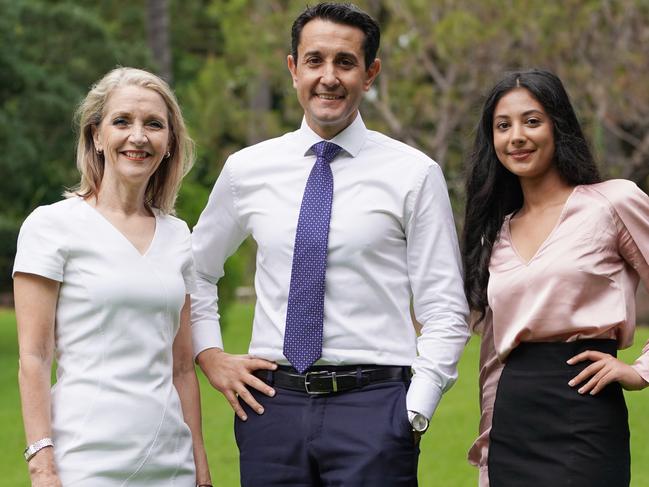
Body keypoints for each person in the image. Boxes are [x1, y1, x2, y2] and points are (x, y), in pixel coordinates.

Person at [191, 2, 469, 486]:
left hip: (375, 409)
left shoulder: (414, 173)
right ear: (293, 69)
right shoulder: (247, 170)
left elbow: (444, 308)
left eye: (345, 62)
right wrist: (210, 355)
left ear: (370, 73)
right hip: (271, 408)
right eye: (315, 61)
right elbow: (194, 270)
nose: (329, 77)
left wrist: (414, 411)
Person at [13, 67, 212, 487]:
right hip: (85, 463)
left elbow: (180, 368)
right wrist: (42, 464)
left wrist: (200, 467)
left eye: (154, 124)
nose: (138, 137)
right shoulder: (51, 226)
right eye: (122, 121)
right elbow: (34, 358)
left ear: (169, 142)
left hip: (171, 464)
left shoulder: (179, 236)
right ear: (96, 137)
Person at [462, 68, 649, 487]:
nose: (517, 137)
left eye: (532, 121)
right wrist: (489, 455)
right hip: (513, 422)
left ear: (557, 126)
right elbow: (493, 357)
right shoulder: (497, 233)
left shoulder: (612, 202)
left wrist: (640, 371)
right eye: (502, 126)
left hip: (584, 414)